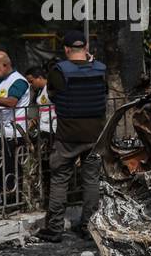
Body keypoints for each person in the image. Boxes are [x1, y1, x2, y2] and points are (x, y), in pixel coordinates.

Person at [35, 31, 106, 243]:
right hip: (96, 133)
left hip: (68, 135)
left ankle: (55, 229)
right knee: (92, 180)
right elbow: (104, 92)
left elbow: (52, 95)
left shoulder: (59, 70)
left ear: (66, 49)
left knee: (59, 179)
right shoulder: (101, 68)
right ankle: (88, 227)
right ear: (85, 48)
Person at [0, 51, 30, 204]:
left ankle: (13, 201)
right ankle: (2, 200)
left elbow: (11, 102)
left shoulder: (18, 81)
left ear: (5, 65)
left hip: (13, 133)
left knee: (11, 168)